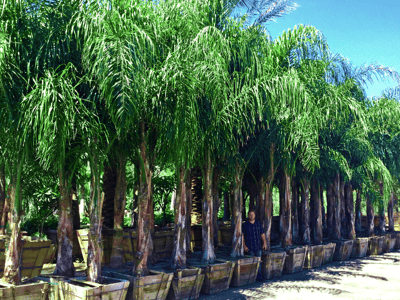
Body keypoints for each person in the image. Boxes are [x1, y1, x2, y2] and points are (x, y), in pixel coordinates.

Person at [242, 210, 267, 281]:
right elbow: (242, 236)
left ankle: (259, 276)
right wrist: (244, 246)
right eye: (250, 214)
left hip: (258, 246)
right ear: (248, 215)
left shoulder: (258, 224)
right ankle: (252, 277)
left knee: (259, 261)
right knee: (251, 262)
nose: (251, 216)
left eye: (253, 214)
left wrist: (264, 243)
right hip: (249, 247)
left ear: (255, 215)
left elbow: (262, 234)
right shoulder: (245, 225)